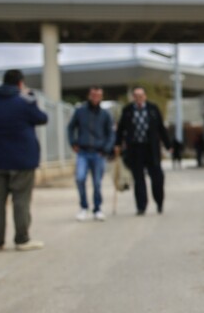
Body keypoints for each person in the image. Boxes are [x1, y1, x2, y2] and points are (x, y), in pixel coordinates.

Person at [0, 69, 49, 251]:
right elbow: (42, 118)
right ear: (20, 83)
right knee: (21, 200)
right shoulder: (24, 102)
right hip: (22, 160)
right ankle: (22, 239)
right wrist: (31, 98)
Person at [114, 86, 171, 215]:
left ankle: (159, 202)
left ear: (144, 96)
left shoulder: (153, 109)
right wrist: (117, 144)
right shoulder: (127, 110)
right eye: (136, 96)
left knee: (157, 178)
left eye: (141, 96)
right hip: (135, 149)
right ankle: (141, 206)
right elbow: (121, 130)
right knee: (138, 179)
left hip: (151, 149)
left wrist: (168, 145)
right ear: (133, 98)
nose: (138, 99)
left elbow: (161, 128)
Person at [67, 86, 115, 221]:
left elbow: (111, 134)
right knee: (80, 178)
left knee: (97, 182)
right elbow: (71, 128)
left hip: (99, 153)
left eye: (98, 95)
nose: (95, 98)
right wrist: (73, 142)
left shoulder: (105, 114)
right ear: (89, 95)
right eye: (93, 95)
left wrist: (107, 148)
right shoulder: (80, 111)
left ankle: (97, 208)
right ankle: (83, 207)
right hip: (82, 152)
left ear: (101, 97)